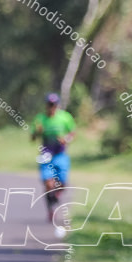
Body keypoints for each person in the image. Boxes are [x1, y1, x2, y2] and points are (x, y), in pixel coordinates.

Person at [32, 93, 76, 237]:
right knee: (48, 184)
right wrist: (37, 133)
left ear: (57, 105)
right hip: (46, 155)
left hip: (61, 154)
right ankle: (51, 208)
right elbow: (33, 137)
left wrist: (67, 139)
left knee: (62, 184)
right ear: (46, 105)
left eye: (54, 105)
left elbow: (72, 133)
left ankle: (56, 197)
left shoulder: (65, 117)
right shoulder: (40, 119)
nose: (52, 107)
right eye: (49, 105)